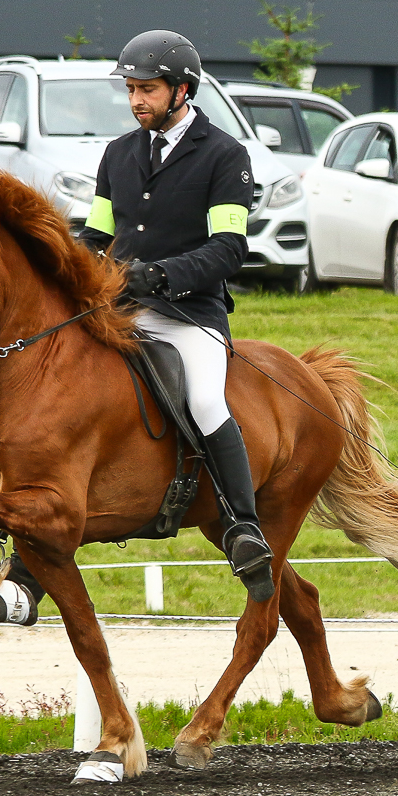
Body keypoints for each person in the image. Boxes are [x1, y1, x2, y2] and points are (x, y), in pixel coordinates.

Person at [79, 30, 274, 601]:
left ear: (182, 90)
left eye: (147, 90)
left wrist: (162, 275)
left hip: (190, 314)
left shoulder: (224, 157)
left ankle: (243, 525)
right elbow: (97, 234)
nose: (137, 100)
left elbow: (229, 248)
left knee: (208, 400)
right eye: (132, 90)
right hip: (124, 312)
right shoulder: (117, 154)